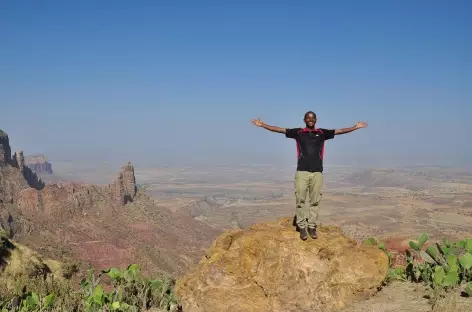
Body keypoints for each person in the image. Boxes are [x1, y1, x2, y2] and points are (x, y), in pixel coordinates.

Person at [251, 111, 368, 240]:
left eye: (312, 118)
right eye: (308, 118)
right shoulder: (298, 132)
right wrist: (263, 125)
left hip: (317, 172)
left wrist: (355, 127)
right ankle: (302, 227)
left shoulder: (322, 133)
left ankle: (312, 226)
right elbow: (279, 129)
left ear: (316, 120)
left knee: (315, 201)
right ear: (304, 119)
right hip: (302, 172)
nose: (310, 120)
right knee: (300, 200)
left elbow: (339, 131)